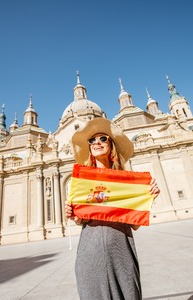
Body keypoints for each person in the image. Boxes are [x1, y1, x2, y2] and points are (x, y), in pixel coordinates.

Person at [65, 118, 160, 300]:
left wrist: (148, 198)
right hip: (89, 251)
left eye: (103, 139)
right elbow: (80, 220)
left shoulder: (128, 182)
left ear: (112, 145)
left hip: (121, 249)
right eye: (92, 140)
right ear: (89, 148)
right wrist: (73, 215)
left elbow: (135, 225)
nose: (97, 143)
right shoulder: (82, 182)